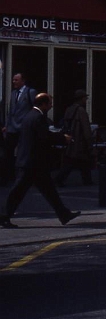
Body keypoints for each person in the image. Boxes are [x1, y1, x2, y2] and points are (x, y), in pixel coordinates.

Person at [0, 93, 80, 228]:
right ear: (43, 104)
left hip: (32, 162)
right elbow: (44, 137)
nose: (51, 105)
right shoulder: (38, 118)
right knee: (18, 192)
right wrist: (62, 138)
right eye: (49, 103)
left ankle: (64, 214)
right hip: (32, 163)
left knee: (49, 190)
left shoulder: (30, 115)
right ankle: (4, 216)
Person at [1, 73, 36, 185]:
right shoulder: (13, 93)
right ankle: (8, 176)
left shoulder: (30, 92)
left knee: (23, 152)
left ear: (23, 81)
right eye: (13, 80)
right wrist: (7, 125)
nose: (14, 82)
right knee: (8, 152)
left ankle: (23, 176)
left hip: (23, 127)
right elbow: (11, 111)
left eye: (16, 80)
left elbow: (33, 109)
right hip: (12, 127)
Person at [54, 89, 94, 187]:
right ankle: (86, 180)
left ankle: (86, 179)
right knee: (79, 161)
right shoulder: (81, 111)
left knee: (73, 161)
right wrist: (90, 143)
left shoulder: (69, 109)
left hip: (70, 139)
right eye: (85, 98)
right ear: (81, 99)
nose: (86, 100)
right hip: (80, 141)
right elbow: (86, 129)